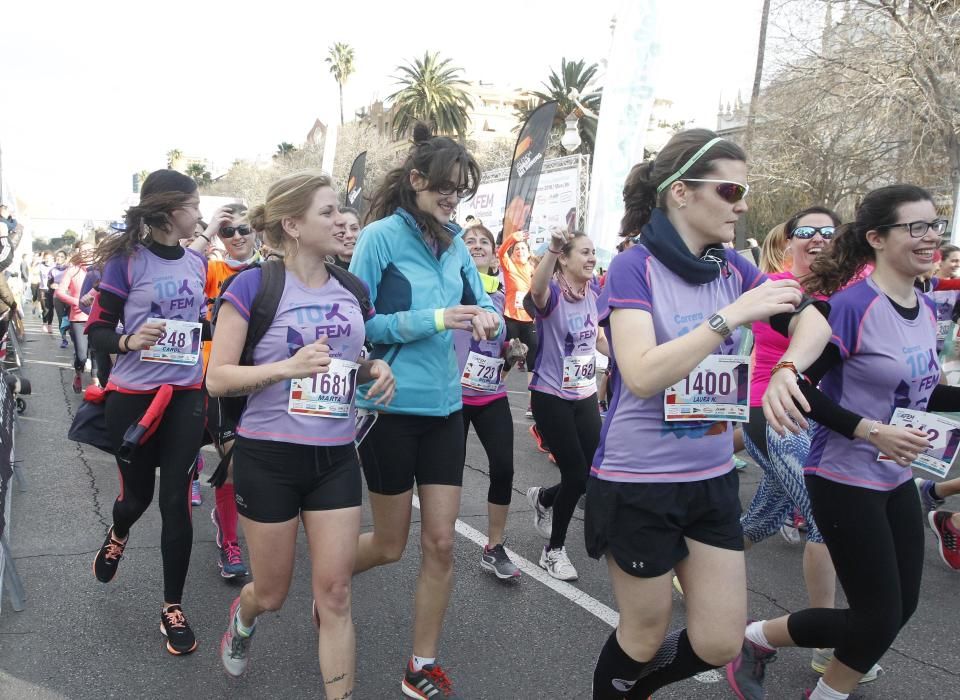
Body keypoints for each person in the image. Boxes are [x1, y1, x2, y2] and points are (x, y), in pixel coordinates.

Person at [583, 129, 831, 699]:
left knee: (719, 642)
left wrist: (790, 367)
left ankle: (635, 689)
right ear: (681, 193)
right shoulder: (634, 268)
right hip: (638, 480)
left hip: (712, 477)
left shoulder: (732, 269)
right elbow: (641, 373)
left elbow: (814, 317)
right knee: (643, 633)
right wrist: (728, 319)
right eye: (730, 189)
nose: (742, 204)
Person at [736, 184, 958, 700]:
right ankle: (805, 677)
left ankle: (758, 637)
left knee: (899, 610)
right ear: (877, 238)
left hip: (895, 476)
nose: (930, 238)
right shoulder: (851, 307)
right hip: (842, 476)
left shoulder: (922, 307)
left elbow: (922, 388)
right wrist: (870, 429)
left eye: (935, 225)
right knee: (876, 618)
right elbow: (799, 387)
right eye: (916, 228)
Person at [207, 171, 394, 698]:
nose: (343, 221)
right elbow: (217, 377)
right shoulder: (253, 286)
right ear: (292, 225)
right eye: (328, 212)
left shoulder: (353, 288)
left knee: (335, 595)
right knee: (272, 592)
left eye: (342, 211)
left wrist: (372, 369)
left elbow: (348, 360)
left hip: (335, 457)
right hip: (269, 458)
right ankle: (243, 615)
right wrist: (285, 369)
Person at [348, 123, 500, 700]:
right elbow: (356, 324)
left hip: (445, 407)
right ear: (416, 181)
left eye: (460, 191)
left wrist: (488, 317)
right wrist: (440, 319)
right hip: (386, 407)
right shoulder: (380, 238)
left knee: (440, 542)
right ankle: (329, 584)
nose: (451, 199)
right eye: (444, 188)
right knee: (389, 544)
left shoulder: (456, 241)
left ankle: (421, 664)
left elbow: (482, 301)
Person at [86, 169, 207, 656]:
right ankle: (118, 532)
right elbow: (97, 329)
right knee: (136, 499)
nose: (199, 214)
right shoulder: (126, 262)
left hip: (185, 393)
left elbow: (199, 320)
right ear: (170, 209)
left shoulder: (198, 263)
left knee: (176, 500)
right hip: (133, 397)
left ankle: (172, 606)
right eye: (194, 205)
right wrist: (127, 341)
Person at [524, 227, 606, 581]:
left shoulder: (594, 291)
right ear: (565, 259)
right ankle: (553, 551)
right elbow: (537, 290)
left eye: (593, 253)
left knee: (592, 471)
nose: (591, 259)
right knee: (575, 472)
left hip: (585, 393)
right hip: (551, 395)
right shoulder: (554, 292)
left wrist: (621, 359)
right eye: (584, 253)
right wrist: (552, 250)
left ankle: (544, 498)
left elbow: (597, 334)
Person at [189, 202, 258, 579]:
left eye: (243, 230)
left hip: (262, 378)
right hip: (217, 380)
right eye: (228, 232)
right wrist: (209, 229)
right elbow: (179, 263)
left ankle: (235, 517)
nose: (236, 237)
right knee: (231, 463)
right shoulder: (211, 268)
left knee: (253, 465)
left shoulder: (270, 271)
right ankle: (230, 542)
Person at [455, 224, 523, 579]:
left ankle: (494, 546)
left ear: (495, 254)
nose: (478, 245)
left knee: (504, 468)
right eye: (470, 241)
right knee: (449, 474)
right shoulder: (449, 288)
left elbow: (500, 345)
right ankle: (438, 541)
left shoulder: (499, 295)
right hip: (453, 397)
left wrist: (512, 351)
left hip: (491, 394)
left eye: (484, 242)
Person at [497, 228, 537, 417]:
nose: (520, 251)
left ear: (529, 253)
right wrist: (514, 238)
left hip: (529, 320)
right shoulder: (509, 266)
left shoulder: (532, 269)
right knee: (509, 358)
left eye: (523, 249)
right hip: (511, 318)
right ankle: (493, 385)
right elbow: (501, 252)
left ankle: (531, 404)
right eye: (517, 249)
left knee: (533, 360)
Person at [55, 241, 97, 392]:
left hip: (97, 317)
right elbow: (59, 292)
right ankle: (78, 372)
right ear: (79, 252)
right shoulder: (73, 270)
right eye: (84, 251)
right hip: (78, 319)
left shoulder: (101, 270)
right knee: (82, 356)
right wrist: (77, 302)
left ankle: (95, 384)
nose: (88, 254)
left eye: (91, 251)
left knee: (96, 352)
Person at [48, 250, 70, 347]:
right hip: (57, 297)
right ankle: (64, 339)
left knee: (71, 318)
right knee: (61, 318)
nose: (59, 258)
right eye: (58, 256)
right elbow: (49, 283)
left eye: (61, 257)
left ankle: (75, 338)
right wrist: (52, 285)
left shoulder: (70, 269)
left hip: (69, 297)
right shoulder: (52, 270)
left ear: (65, 258)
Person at [38, 251, 55, 333]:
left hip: (52, 289)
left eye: (49, 258)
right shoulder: (40, 265)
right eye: (46, 258)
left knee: (51, 308)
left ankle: (50, 325)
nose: (47, 259)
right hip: (43, 289)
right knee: (45, 308)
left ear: (52, 258)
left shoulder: (55, 266)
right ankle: (44, 323)